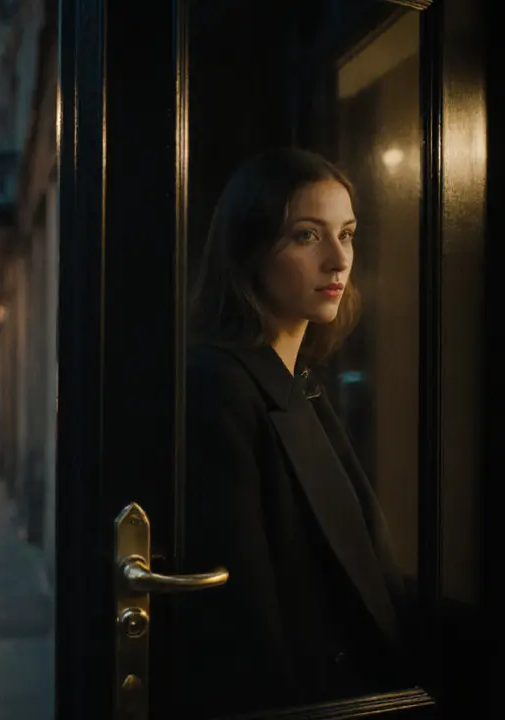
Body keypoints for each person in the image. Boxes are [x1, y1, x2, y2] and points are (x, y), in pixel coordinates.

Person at [172, 148, 414, 716]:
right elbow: (246, 614)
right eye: (307, 236)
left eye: (348, 234)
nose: (338, 260)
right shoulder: (218, 385)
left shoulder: (295, 377)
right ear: (249, 250)